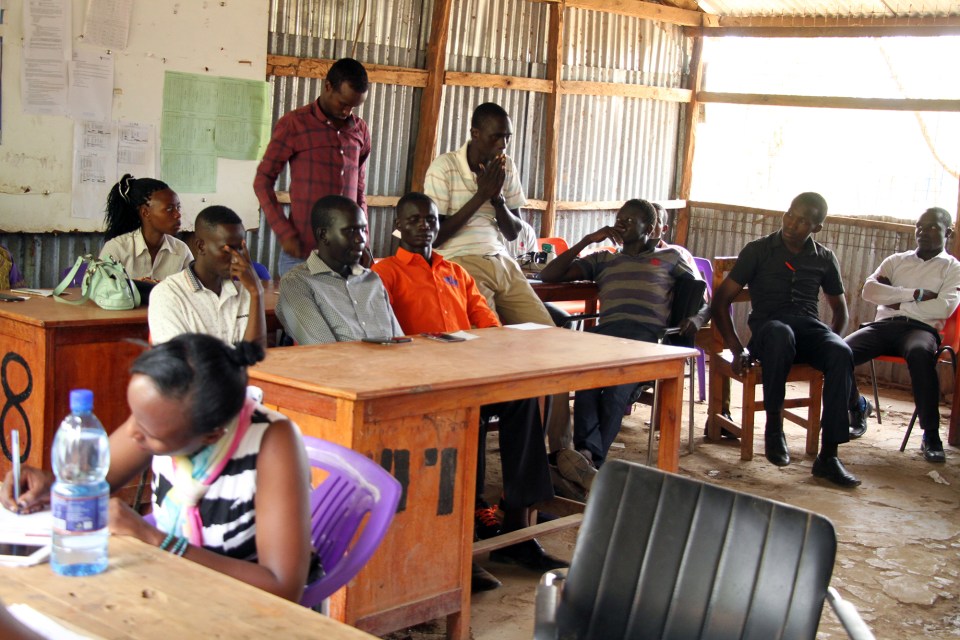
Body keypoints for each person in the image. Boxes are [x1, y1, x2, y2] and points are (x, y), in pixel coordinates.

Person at [1, 334, 312, 602]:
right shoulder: (159, 416)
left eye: (151, 433)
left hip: (243, 611)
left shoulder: (273, 443)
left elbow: (282, 587)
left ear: (212, 434)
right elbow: (94, 482)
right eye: (134, 414)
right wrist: (52, 486)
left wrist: (154, 539)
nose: (133, 433)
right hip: (169, 588)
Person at [372, 193, 565, 590]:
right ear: (399, 226)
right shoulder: (386, 273)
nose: (423, 226)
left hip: (471, 373)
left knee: (524, 399)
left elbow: (487, 323)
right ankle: (466, 536)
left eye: (429, 219)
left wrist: (487, 351)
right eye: (413, 220)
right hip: (425, 385)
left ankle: (518, 523)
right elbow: (387, 336)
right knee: (466, 413)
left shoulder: (455, 271)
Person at [711, 192, 860, 487]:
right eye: (790, 215)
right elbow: (720, 301)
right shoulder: (759, 250)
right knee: (781, 333)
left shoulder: (824, 257)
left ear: (816, 227)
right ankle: (774, 427)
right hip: (768, 333)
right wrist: (737, 349)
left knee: (841, 352)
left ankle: (828, 457)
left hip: (807, 329)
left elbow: (840, 311)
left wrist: (830, 341)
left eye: (803, 221)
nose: (792, 223)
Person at [539, 199, 700, 467]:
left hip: (646, 339)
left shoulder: (671, 258)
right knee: (586, 384)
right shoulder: (604, 258)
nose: (620, 224)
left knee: (615, 390)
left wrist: (695, 317)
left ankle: (588, 460)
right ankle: (587, 459)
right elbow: (549, 275)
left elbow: (700, 297)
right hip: (605, 336)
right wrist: (587, 240)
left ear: (648, 228)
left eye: (629, 220)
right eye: (619, 219)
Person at [844, 207, 960, 463]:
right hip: (884, 326)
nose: (923, 232)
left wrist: (894, 298)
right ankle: (857, 407)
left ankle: (931, 435)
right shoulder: (896, 260)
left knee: (921, 354)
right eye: (920, 226)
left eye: (932, 227)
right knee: (838, 352)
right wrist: (915, 294)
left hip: (921, 330)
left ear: (948, 232)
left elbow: (943, 307)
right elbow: (870, 292)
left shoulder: (952, 268)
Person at [423, 102, 554, 327]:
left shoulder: (507, 167)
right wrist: (480, 196)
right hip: (459, 261)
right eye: (496, 137)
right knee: (488, 337)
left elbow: (514, 233)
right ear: (475, 133)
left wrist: (497, 199)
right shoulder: (444, 167)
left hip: (502, 260)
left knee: (544, 332)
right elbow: (436, 237)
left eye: (507, 137)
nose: (503, 145)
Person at [254, 58, 371, 277]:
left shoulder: (360, 130)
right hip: (303, 255)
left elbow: (359, 192)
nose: (348, 111)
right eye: (343, 103)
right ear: (328, 86)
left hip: (346, 257)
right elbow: (263, 180)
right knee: (301, 312)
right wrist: (284, 231)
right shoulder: (295, 124)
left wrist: (364, 238)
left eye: (354, 106)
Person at [277, 195, 401, 344]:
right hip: (343, 366)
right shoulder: (297, 283)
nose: (360, 239)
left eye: (362, 230)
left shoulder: (371, 279)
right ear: (324, 235)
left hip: (390, 365)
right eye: (350, 231)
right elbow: (323, 352)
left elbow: (398, 341)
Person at [149, 206, 267, 348]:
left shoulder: (246, 291)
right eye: (227, 250)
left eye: (240, 249)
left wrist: (257, 293)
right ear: (200, 246)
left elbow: (256, 355)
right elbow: (179, 361)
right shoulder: (168, 294)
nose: (237, 259)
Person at [99, 174, 192, 281]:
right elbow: (100, 292)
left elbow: (194, 291)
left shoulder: (181, 250)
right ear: (145, 212)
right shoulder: (117, 248)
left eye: (178, 207)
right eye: (169, 209)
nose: (178, 214)